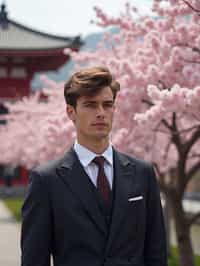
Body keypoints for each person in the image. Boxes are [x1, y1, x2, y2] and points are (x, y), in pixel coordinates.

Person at [21, 66, 167, 266]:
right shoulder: (46, 181)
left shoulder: (143, 173)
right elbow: (34, 260)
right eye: (90, 105)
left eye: (107, 105)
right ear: (71, 112)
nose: (101, 113)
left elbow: (156, 252)